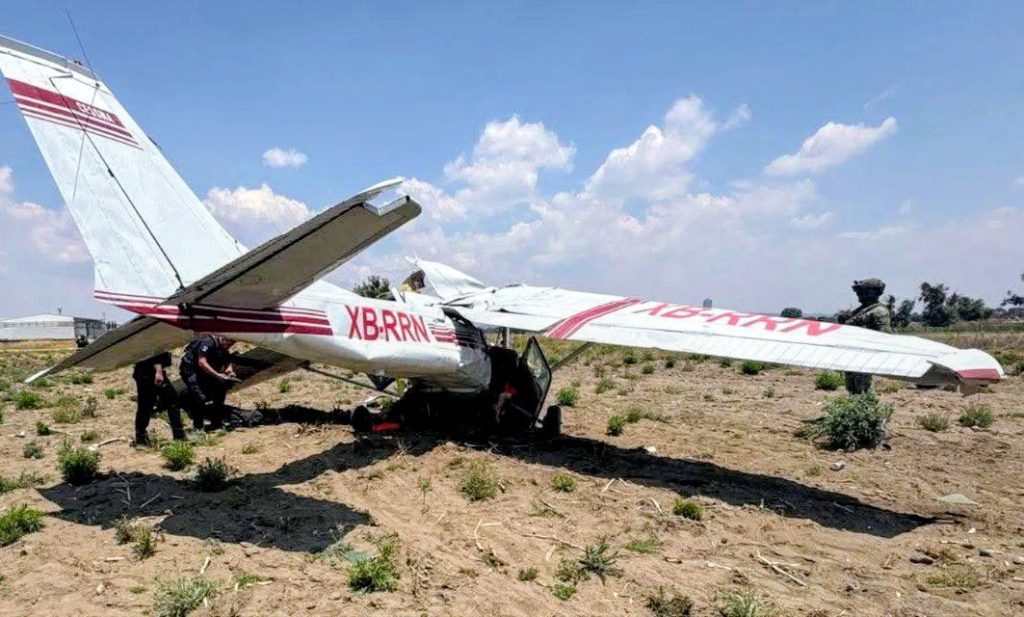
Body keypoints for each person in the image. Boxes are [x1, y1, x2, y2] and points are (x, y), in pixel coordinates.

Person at [839, 278, 892, 394]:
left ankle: (866, 404)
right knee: (852, 387)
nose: (858, 295)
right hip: (853, 354)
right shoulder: (862, 310)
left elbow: (884, 336)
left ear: (872, 292)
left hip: (864, 356)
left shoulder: (879, 311)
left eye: (862, 292)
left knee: (862, 388)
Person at [179, 334, 239, 431]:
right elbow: (202, 362)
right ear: (223, 339)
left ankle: (216, 424)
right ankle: (198, 427)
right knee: (199, 397)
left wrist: (229, 369)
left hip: (205, 372)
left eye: (231, 345)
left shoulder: (223, 346)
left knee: (219, 393)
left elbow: (227, 357)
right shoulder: (208, 342)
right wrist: (218, 375)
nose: (229, 346)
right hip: (191, 370)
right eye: (228, 344)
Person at [133, 351, 185, 445]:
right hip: (150, 372)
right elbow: (153, 351)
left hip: (144, 372)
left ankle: (141, 438)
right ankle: (179, 435)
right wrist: (158, 371)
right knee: (171, 401)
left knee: (146, 405)